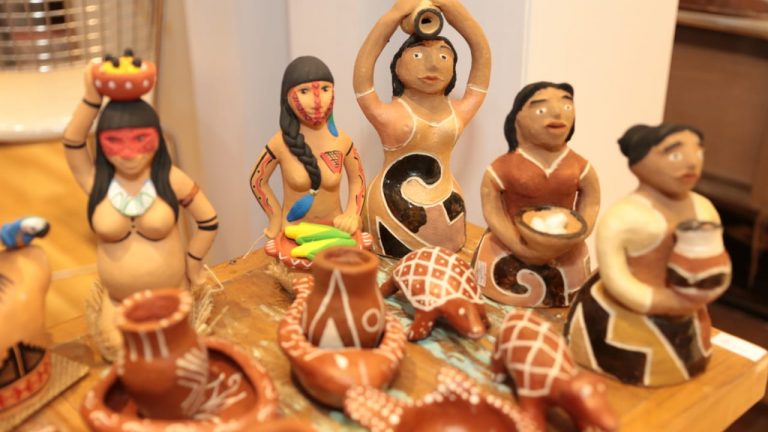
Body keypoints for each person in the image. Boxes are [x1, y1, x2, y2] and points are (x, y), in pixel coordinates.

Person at [62, 59, 218, 358]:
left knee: (172, 355)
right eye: (114, 142)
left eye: (140, 139)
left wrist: (194, 263)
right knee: (122, 353)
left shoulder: (170, 179)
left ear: (156, 137)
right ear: (101, 143)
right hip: (118, 304)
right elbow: (73, 142)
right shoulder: (97, 182)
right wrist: (92, 99)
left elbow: (208, 221)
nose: (128, 153)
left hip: (174, 296)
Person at [565, 123, 729, 386]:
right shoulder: (623, 216)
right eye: (675, 154)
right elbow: (616, 278)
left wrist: (705, 291)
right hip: (626, 312)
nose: (691, 163)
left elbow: (716, 261)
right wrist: (661, 301)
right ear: (639, 163)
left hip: (689, 311)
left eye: (698, 152)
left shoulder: (704, 207)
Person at [353, 0, 491, 258]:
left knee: (443, 268)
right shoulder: (391, 115)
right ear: (397, 66)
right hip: (389, 212)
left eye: (444, 56)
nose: (433, 66)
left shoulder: (456, 113)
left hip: (448, 214)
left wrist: (456, 12)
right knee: (392, 272)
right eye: (417, 55)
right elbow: (362, 79)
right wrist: (392, 17)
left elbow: (482, 60)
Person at [474, 82, 600, 307]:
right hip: (509, 243)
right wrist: (517, 244)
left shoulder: (579, 166)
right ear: (518, 119)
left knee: (571, 272)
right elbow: (492, 209)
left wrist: (578, 234)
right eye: (541, 109)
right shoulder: (502, 168)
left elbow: (591, 201)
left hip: (565, 248)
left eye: (567, 106)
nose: (558, 114)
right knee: (495, 262)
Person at [250, 56, 365, 239]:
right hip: (293, 233)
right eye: (304, 91)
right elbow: (257, 181)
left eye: (325, 89)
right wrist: (275, 217)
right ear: (287, 97)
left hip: (335, 232)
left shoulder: (343, 141)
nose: (317, 101)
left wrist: (352, 214)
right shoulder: (279, 143)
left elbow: (357, 180)